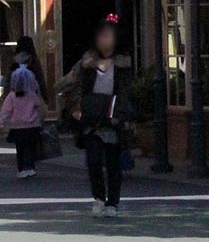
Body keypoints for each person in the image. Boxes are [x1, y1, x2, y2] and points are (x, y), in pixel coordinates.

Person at [59, 14, 133, 218]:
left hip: (112, 117)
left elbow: (125, 91)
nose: (103, 40)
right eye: (101, 36)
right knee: (93, 160)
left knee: (113, 163)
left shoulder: (123, 64)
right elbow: (77, 87)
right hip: (91, 118)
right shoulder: (87, 63)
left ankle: (113, 202)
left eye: (108, 35)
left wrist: (120, 115)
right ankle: (99, 197)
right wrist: (75, 106)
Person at [0, 64, 44, 178]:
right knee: (31, 147)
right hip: (32, 125)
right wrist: (41, 120)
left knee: (20, 149)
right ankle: (30, 167)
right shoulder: (32, 95)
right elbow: (39, 107)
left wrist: (2, 122)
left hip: (17, 126)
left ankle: (21, 169)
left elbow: (6, 110)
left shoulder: (11, 96)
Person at [13, 36, 48, 102]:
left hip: (16, 97)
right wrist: (45, 97)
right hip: (32, 96)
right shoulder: (33, 60)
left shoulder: (14, 61)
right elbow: (40, 79)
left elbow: (8, 80)